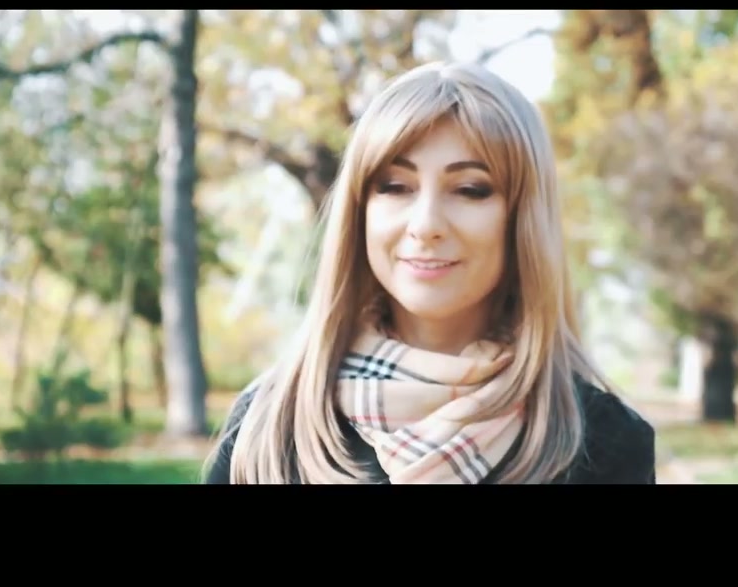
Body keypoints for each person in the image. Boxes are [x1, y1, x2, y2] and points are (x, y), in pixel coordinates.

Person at [203, 60, 656, 485]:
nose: (425, 225)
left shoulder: (606, 443)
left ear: (523, 218)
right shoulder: (269, 425)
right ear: (359, 211)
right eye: (395, 186)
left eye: (470, 189)